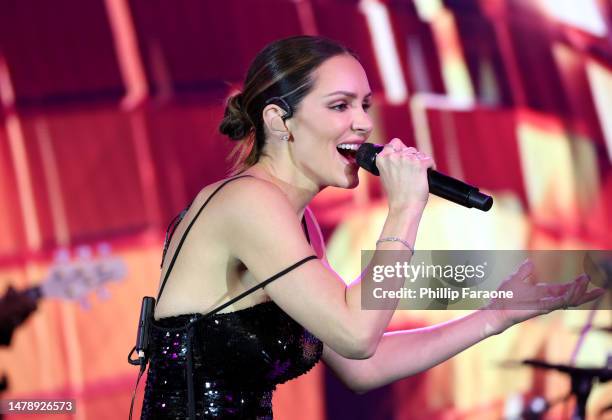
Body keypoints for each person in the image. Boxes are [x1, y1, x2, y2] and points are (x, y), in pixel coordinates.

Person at [139, 35, 604, 419]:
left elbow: (363, 364)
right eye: (340, 106)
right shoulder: (248, 202)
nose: (363, 124)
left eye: (364, 105)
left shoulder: (294, 221)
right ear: (279, 120)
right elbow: (357, 334)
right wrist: (404, 210)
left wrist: (493, 318)